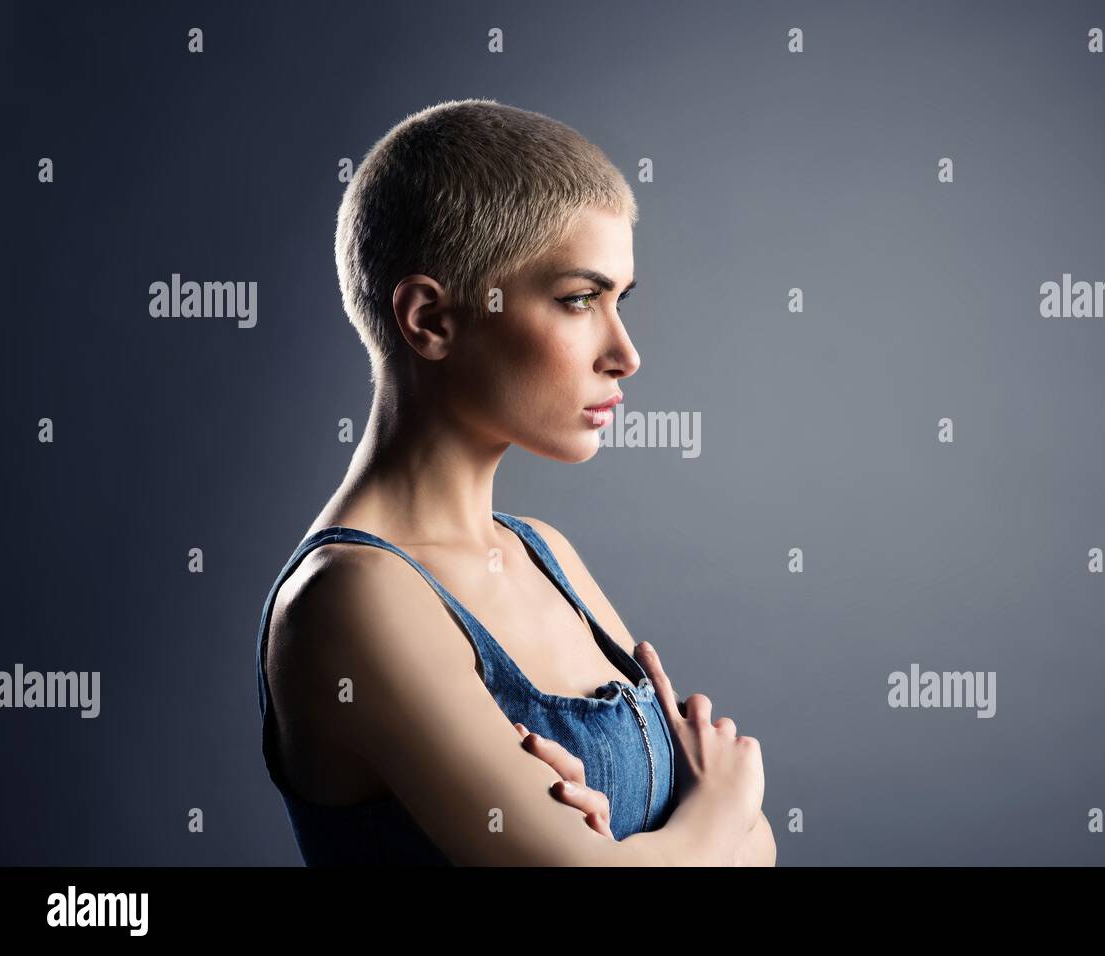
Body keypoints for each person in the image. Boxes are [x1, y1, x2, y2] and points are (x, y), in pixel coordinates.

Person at [254, 99, 774, 865]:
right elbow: (738, 834)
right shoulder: (350, 598)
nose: (625, 353)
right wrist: (722, 809)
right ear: (430, 319)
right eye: (577, 299)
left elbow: (761, 853)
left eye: (619, 301)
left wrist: (658, 847)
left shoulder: (544, 553)